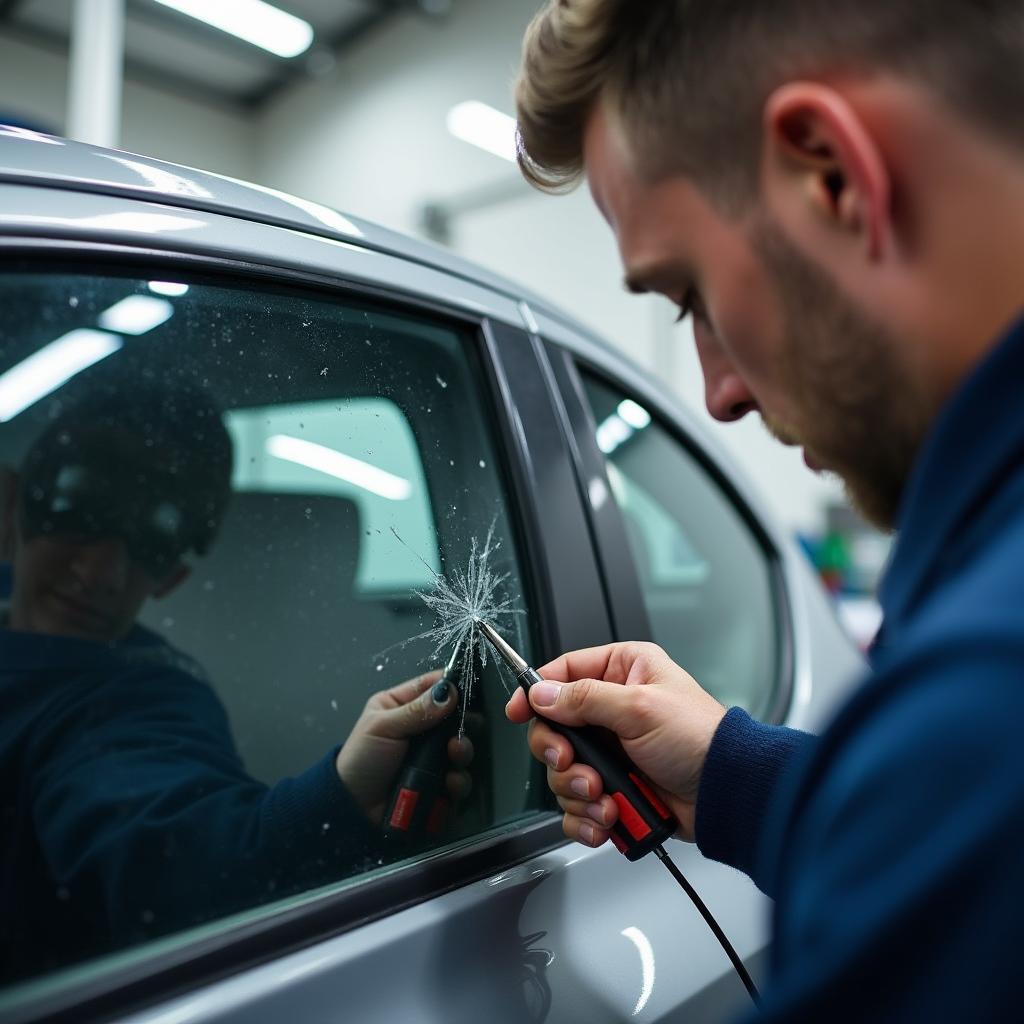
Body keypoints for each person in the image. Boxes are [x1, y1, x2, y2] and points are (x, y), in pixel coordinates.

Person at [506, 2, 1024, 1019]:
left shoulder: (983, 705)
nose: (718, 394)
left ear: (829, 173)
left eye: (690, 291)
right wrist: (731, 779)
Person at [0, 386, 471, 982]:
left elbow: (180, 860)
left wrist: (335, 802)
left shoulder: (138, 701)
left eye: (150, 545)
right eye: (81, 515)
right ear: (15, 503)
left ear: (170, 576)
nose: (101, 573)